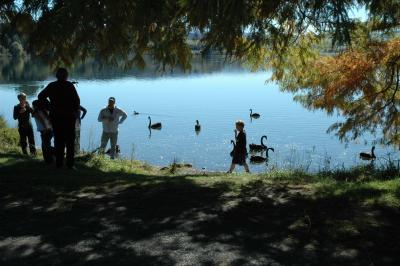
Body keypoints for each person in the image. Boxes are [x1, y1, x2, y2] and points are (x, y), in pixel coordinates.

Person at [38, 68, 80, 169]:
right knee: (70, 141)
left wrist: (50, 106)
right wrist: (74, 111)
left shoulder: (52, 85)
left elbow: (40, 96)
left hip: (55, 116)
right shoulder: (69, 85)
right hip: (69, 117)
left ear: (57, 76)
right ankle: (70, 164)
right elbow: (77, 101)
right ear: (66, 76)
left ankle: (59, 163)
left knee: (58, 140)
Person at [32, 99, 54, 164]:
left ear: (35, 106)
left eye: (33, 105)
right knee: (46, 145)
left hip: (45, 130)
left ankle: (50, 158)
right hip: (50, 129)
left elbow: (42, 121)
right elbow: (49, 120)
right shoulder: (44, 110)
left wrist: (45, 128)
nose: (32, 106)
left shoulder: (37, 112)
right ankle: (49, 159)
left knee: (45, 146)